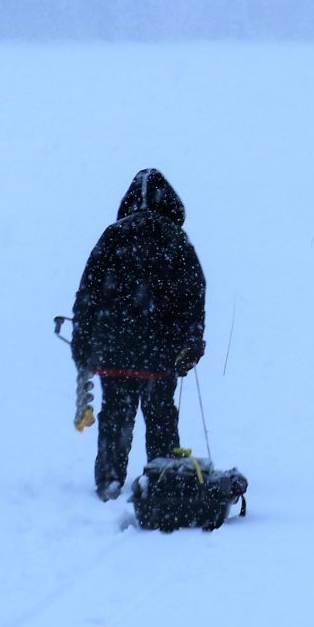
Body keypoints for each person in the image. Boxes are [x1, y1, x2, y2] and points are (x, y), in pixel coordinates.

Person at [70, 168, 208, 500]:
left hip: (114, 350)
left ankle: (109, 481)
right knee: (160, 415)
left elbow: (87, 292)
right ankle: (162, 479)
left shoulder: (113, 236)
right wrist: (192, 341)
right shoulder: (176, 239)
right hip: (161, 352)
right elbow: (194, 295)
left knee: (116, 413)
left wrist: (82, 339)